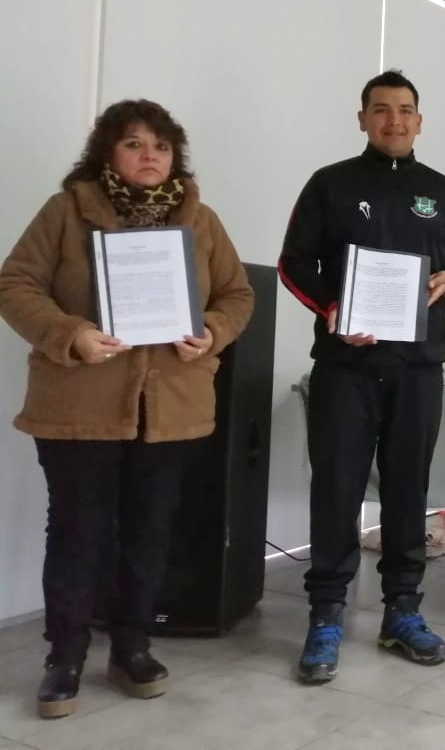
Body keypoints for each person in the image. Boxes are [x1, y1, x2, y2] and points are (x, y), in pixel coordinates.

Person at [0, 99, 254, 718]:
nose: (149, 156)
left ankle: (132, 647)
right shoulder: (66, 212)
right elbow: (15, 285)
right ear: (107, 152)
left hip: (169, 408)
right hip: (79, 404)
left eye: (161, 146)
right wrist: (71, 334)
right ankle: (65, 656)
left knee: (150, 531)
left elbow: (237, 295)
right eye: (134, 144)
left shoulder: (202, 222)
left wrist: (212, 332)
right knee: (77, 531)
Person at [278, 69, 445, 684]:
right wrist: (331, 308)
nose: (393, 120)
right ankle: (326, 615)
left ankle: (402, 610)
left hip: (418, 370)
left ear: (419, 121)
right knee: (337, 489)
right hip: (345, 369)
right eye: (380, 109)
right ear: (362, 119)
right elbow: (294, 263)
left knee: (407, 491)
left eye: (404, 110)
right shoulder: (330, 183)